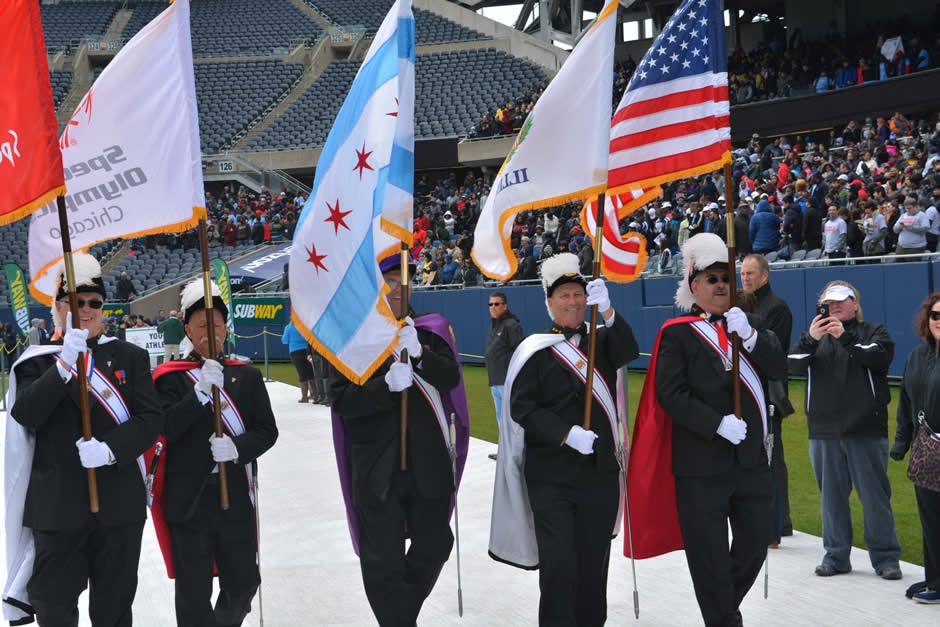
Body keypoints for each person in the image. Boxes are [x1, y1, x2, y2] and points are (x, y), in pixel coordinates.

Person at [628, 233, 785, 627]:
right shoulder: (677, 333)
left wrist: (749, 336)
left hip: (750, 462)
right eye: (711, 279)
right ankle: (724, 620)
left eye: (726, 278)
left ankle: (721, 608)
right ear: (694, 286)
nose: (720, 286)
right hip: (700, 465)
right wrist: (715, 423)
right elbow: (670, 393)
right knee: (709, 556)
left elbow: (781, 369)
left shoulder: (750, 324)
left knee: (753, 545)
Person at [4, 252, 162, 626]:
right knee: (54, 608)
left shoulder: (131, 356)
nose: (86, 309)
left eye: (94, 303)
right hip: (57, 508)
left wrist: (110, 450)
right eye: (76, 302)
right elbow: (26, 413)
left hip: (118, 505)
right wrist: (63, 366)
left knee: (113, 610)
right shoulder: (37, 362)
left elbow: (151, 418)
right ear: (59, 308)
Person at [490, 252, 640, 626]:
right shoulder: (534, 349)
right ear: (549, 303)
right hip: (552, 477)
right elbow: (522, 408)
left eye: (578, 294)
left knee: (593, 567)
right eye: (564, 296)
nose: (573, 302)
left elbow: (629, 351)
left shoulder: (603, 341)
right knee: (559, 567)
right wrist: (565, 434)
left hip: (598, 477)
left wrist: (608, 313)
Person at [329, 255, 470, 626]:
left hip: (428, 463)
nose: (396, 288)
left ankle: (399, 616)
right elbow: (341, 399)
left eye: (402, 281)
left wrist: (421, 353)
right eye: (389, 281)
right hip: (377, 466)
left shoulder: (431, 330)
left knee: (437, 543)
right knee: (381, 560)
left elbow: (451, 380)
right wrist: (384, 388)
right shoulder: (354, 338)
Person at [151, 279, 278, 626]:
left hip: (234, 495)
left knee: (244, 582)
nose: (211, 331)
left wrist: (237, 448)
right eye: (202, 324)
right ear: (188, 330)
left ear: (225, 327)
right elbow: (165, 429)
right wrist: (200, 395)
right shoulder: (170, 379)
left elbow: (268, 431)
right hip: (189, 499)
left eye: (217, 323)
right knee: (193, 593)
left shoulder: (247, 376)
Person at [789, 281, 902, 579]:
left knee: (875, 497)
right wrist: (812, 339)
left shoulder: (873, 332)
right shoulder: (813, 337)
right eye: (829, 302)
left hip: (865, 428)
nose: (835, 307)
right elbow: (792, 365)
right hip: (824, 430)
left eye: (841, 301)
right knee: (832, 499)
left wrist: (846, 339)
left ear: (855, 303)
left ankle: (886, 558)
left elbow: (879, 356)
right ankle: (836, 556)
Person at [741, 254, 794, 545]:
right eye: (744, 273)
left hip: (768, 393)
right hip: (747, 393)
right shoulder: (739, 306)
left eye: (751, 273)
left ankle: (779, 522)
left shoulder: (777, 308)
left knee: (773, 457)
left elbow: (774, 353)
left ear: (765, 276)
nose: (746, 278)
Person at [890, 293, 940, 604]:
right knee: (931, 520)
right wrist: (901, 442)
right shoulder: (917, 357)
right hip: (927, 450)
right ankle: (934, 580)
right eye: (936, 315)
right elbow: (906, 402)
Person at [484, 291, 524, 460]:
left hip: (507, 381)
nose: (493, 307)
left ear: (505, 306)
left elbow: (519, 351)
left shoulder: (510, 325)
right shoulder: (495, 325)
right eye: (490, 304)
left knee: (511, 419)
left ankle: (517, 452)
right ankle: (506, 451)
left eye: (497, 304)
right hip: (495, 380)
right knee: (501, 417)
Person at [282, 321, 316, 402]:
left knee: (302, 373)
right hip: (307, 351)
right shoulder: (306, 325)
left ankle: (304, 397)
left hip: (295, 351)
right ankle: (316, 395)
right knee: (311, 373)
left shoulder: (289, 327)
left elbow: (284, 340)